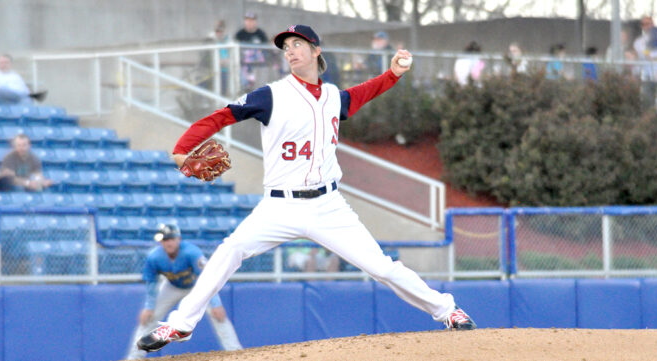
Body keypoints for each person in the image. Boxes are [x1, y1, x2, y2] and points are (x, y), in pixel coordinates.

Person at [136, 24, 476, 353]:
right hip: (279, 207)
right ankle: (181, 324)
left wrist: (392, 75)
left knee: (382, 267)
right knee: (230, 250)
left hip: (328, 205)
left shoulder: (332, 97)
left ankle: (448, 311)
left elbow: (361, 94)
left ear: (316, 50)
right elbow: (219, 117)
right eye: (286, 47)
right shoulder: (270, 95)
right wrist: (183, 149)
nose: (290, 51)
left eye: (297, 44)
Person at [126, 224, 242, 359]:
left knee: (218, 316)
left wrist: (215, 303)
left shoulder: (191, 252)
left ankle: (235, 352)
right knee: (149, 317)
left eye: (171, 238)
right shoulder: (154, 257)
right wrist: (149, 307)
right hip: (172, 286)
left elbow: (208, 277)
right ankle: (134, 357)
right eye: (164, 240)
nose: (168, 242)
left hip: (197, 286)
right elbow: (151, 283)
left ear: (178, 239)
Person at [633, 16, 657, 108]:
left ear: (653, 24)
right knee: (647, 102)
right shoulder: (639, 41)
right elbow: (645, 54)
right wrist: (654, 56)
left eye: (649, 24)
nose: (647, 26)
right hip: (646, 76)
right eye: (644, 24)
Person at [234, 11, 269, 91]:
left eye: (252, 20)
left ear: (255, 22)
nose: (249, 22)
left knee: (259, 88)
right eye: (247, 20)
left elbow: (266, 50)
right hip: (244, 66)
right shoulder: (240, 34)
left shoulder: (261, 34)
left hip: (258, 66)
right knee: (244, 89)